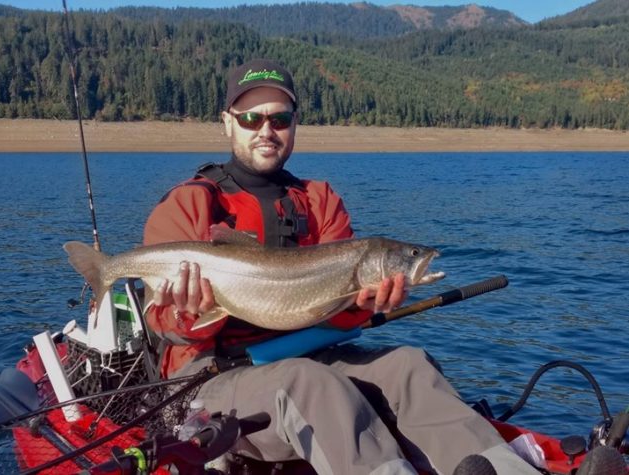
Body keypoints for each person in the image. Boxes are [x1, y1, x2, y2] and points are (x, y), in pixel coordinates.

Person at [142, 59, 541, 475]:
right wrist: (190, 312)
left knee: (410, 366)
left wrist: (364, 304)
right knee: (311, 385)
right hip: (207, 379)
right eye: (251, 118)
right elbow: (160, 323)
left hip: (313, 356)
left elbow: (334, 315)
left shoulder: (319, 200)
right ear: (227, 122)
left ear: (294, 124)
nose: (266, 130)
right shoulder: (188, 204)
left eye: (279, 118)